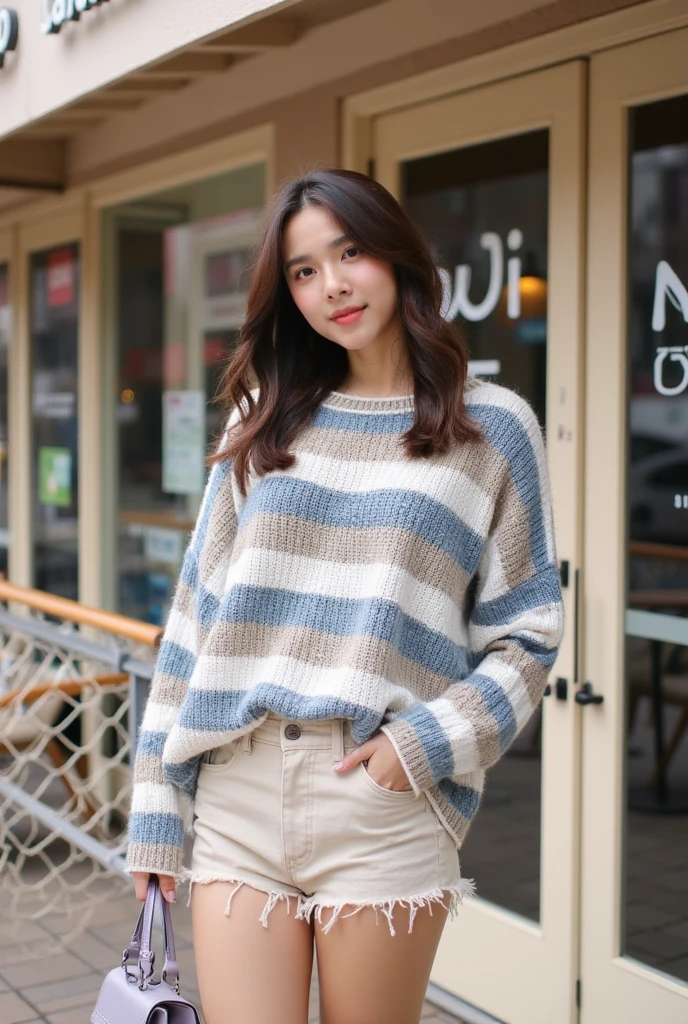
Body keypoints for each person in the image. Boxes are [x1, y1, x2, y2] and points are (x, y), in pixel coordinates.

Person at [126, 167, 565, 1024]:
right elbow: (196, 618)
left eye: (351, 252)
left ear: (398, 256)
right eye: (302, 270)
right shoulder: (264, 414)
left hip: (377, 796)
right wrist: (155, 805)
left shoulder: (493, 428)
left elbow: (531, 633)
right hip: (238, 787)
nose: (331, 285)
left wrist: (424, 746)